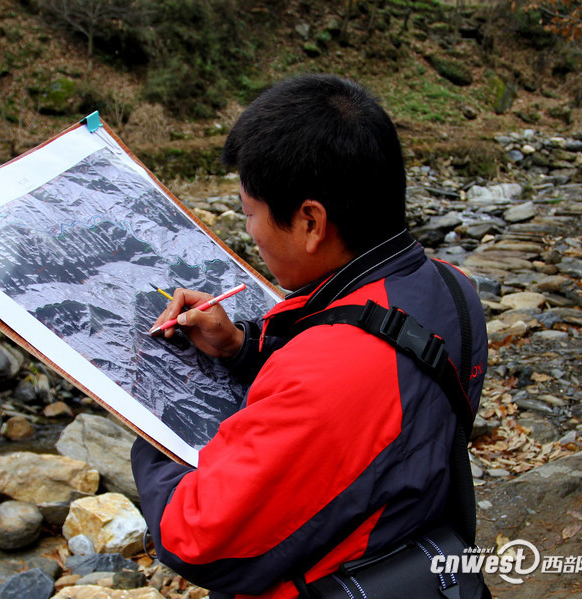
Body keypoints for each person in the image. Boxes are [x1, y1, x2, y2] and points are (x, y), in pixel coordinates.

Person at [129, 74, 488, 598]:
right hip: (408, 550)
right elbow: (374, 403)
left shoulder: (333, 373)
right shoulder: (454, 288)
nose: (250, 233)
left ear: (311, 223)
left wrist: (152, 407)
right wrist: (241, 346)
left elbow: (193, 535)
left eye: (250, 214)